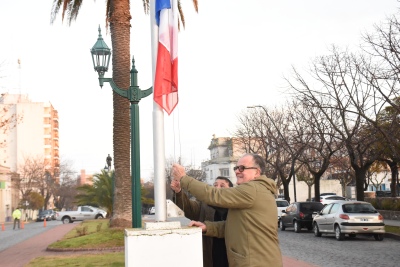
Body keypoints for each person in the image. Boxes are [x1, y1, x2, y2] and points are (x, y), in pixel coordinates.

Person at [171, 153, 282, 267]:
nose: (237, 171)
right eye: (236, 168)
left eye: (242, 168)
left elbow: (213, 194)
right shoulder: (255, 191)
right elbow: (235, 226)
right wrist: (208, 227)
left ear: (257, 172)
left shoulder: (252, 189)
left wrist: (184, 178)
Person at [170, 176, 233, 267]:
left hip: (231, 256)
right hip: (210, 255)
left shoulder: (236, 208)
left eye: (222, 186)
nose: (217, 188)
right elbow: (189, 208)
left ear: (231, 190)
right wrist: (178, 192)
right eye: (215, 185)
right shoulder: (204, 205)